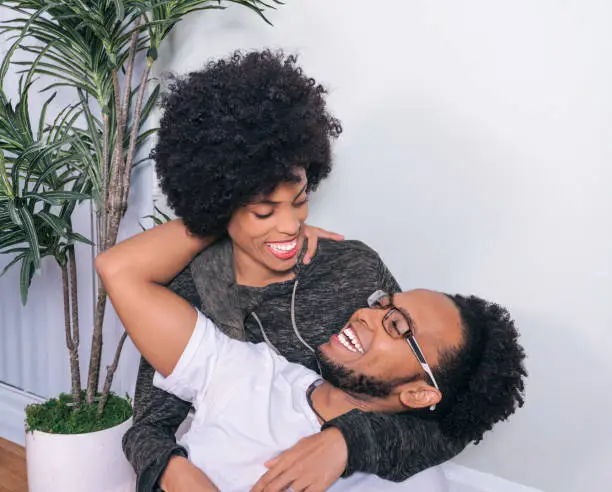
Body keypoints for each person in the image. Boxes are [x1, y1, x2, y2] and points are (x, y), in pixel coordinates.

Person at [123, 49, 464, 492]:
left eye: (299, 200)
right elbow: (147, 429)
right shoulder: (195, 291)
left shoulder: (353, 267)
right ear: (219, 202)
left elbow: (443, 416)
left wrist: (344, 443)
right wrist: (176, 471)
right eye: (264, 209)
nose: (291, 224)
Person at [97, 220, 527, 492]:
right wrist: (229, 217)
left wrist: (346, 440)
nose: (367, 313)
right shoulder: (251, 370)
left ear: (418, 394)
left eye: (397, 325)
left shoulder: (413, 478)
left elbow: (451, 426)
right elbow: (119, 270)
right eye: (382, 304)